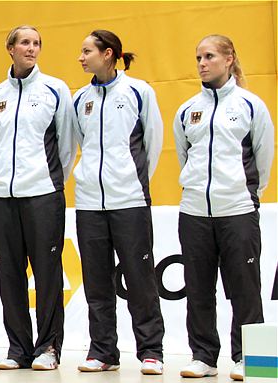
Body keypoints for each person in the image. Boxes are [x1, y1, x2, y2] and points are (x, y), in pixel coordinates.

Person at [174, 35, 273, 381]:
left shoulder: (250, 105)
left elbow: (263, 156)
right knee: (199, 289)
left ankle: (256, 360)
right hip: (195, 213)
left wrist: (245, 195)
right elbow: (184, 156)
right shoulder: (187, 110)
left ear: (229, 59)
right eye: (198, 56)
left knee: (246, 288)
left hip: (238, 210)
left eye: (210, 56)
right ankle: (203, 357)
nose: (201, 62)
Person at [0, 25, 77, 371]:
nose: (32, 48)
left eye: (36, 43)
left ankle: (48, 347)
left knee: (48, 273)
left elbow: (66, 146)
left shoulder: (55, 89)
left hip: (42, 195)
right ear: (10, 48)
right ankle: (18, 348)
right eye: (25, 42)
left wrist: (49, 181)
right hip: (0, 197)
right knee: (9, 274)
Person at [72, 29, 166, 375]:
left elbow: (153, 143)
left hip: (129, 201)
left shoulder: (139, 92)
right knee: (96, 282)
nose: (81, 57)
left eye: (86, 51)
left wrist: (132, 181)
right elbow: (77, 144)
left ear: (108, 53)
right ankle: (103, 350)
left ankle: (151, 350)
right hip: (89, 204)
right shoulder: (79, 98)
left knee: (139, 279)